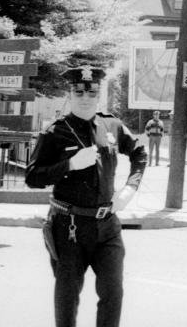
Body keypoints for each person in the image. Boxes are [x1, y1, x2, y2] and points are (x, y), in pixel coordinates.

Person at [26, 65, 146, 327]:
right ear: (70, 93)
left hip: (107, 226)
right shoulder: (55, 131)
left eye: (92, 92)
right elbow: (32, 176)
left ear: (99, 95)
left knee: (113, 293)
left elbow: (139, 152)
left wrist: (130, 188)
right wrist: (69, 164)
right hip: (69, 227)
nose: (85, 98)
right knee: (67, 297)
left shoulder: (112, 125)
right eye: (79, 92)